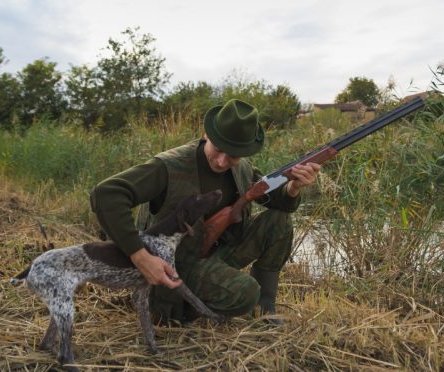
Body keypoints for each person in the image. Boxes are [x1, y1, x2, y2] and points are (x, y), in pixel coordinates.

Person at [90, 98, 320, 324]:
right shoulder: (169, 166)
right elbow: (106, 194)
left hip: (213, 255)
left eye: (233, 155)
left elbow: (277, 202)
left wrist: (293, 187)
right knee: (246, 292)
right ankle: (178, 307)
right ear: (206, 134)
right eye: (218, 149)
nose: (221, 161)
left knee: (279, 221)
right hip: (172, 267)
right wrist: (140, 256)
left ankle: (265, 311)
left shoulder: (243, 169)